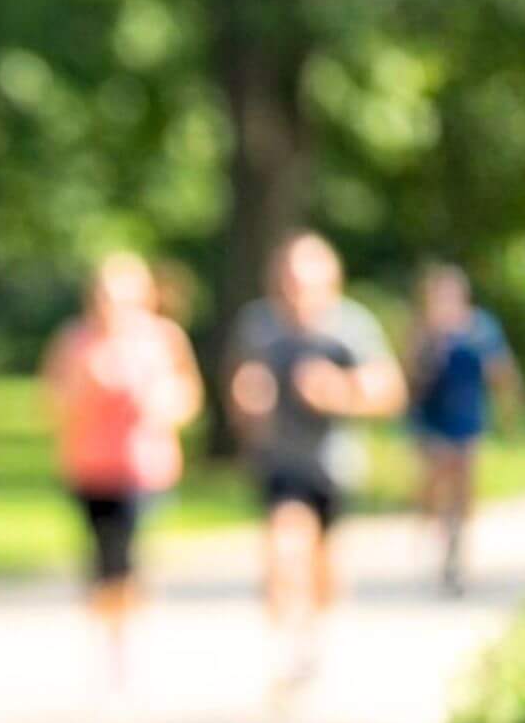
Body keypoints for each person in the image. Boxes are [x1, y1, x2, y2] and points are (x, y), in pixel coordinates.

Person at [226, 231, 408, 687]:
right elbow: (241, 384)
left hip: (334, 464)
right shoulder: (259, 325)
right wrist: (248, 401)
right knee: (285, 546)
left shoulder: (352, 326)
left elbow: (389, 391)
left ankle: (313, 639)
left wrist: (340, 392)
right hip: (279, 462)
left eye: (306, 283)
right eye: (288, 281)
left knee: (325, 566)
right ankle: (283, 646)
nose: (296, 293)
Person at [40, 252, 204, 685]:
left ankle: (125, 642)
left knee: (129, 554)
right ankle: (110, 636)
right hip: (90, 467)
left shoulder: (164, 339)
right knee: (101, 556)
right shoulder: (75, 341)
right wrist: (86, 387)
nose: (113, 307)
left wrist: (160, 403)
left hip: (144, 468)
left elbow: (188, 396)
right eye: (106, 296)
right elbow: (51, 402)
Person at [405, 262, 522, 594]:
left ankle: (455, 554)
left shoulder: (481, 328)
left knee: (464, 487)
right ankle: (433, 531)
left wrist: (509, 409)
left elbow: (500, 370)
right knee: (437, 481)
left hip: (468, 419)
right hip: (432, 420)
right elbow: (410, 375)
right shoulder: (424, 331)